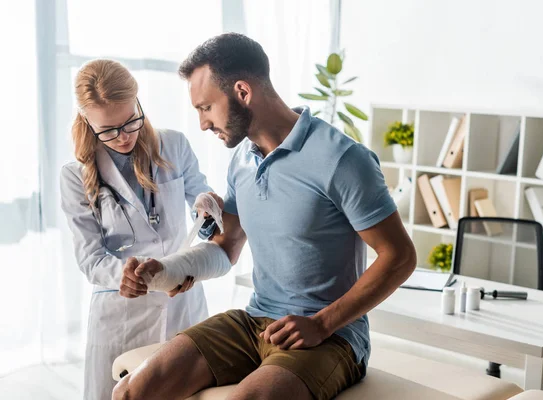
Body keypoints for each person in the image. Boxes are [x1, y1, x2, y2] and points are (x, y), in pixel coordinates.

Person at [113, 33, 417, 400]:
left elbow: (400, 257)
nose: (202, 124)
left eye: (205, 108)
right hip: (255, 320)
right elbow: (226, 247)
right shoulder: (241, 160)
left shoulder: (342, 159)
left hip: (331, 337)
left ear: (242, 92)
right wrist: (164, 270)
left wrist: (322, 324)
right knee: (131, 392)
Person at [60, 59, 223, 400]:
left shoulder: (174, 145)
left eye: (130, 121)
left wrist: (207, 210)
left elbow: (205, 212)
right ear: (87, 122)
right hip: (123, 313)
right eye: (108, 130)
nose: (123, 137)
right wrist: (124, 275)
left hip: (183, 303)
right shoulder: (75, 177)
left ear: (139, 105)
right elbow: (90, 257)